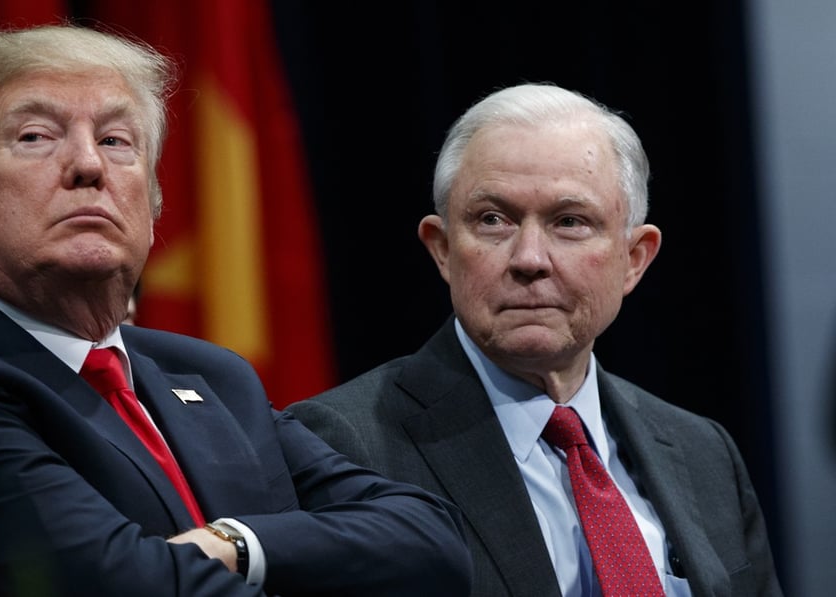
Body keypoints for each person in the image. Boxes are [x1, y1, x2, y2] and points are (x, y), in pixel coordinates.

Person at [0, 23, 473, 596]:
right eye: (36, 137)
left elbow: (431, 541)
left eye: (117, 141)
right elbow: (121, 581)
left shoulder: (211, 376)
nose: (88, 165)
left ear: (154, 205)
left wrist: (234, 544)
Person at [287, 82, 783, 596]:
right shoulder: (340, 444)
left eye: (569, 222)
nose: (529, 258)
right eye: (493, 220)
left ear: (634, 259)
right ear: (442, 250)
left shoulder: (704, 453)